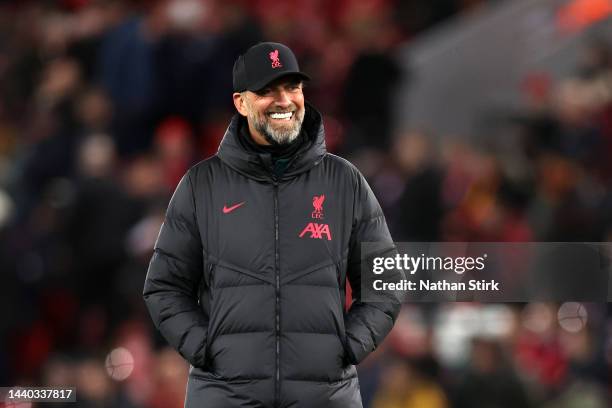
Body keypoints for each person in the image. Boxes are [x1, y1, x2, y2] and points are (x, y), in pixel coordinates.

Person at [143, 42, 403, 407]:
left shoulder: (344, 181)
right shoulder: (202, 185)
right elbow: (164, 287)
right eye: (267, 91)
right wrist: (206, 349)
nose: (284, 100)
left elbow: (385, 279)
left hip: (325, 396)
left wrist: (347, 346)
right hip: (225, 396)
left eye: (292, 87)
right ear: (241, 103)